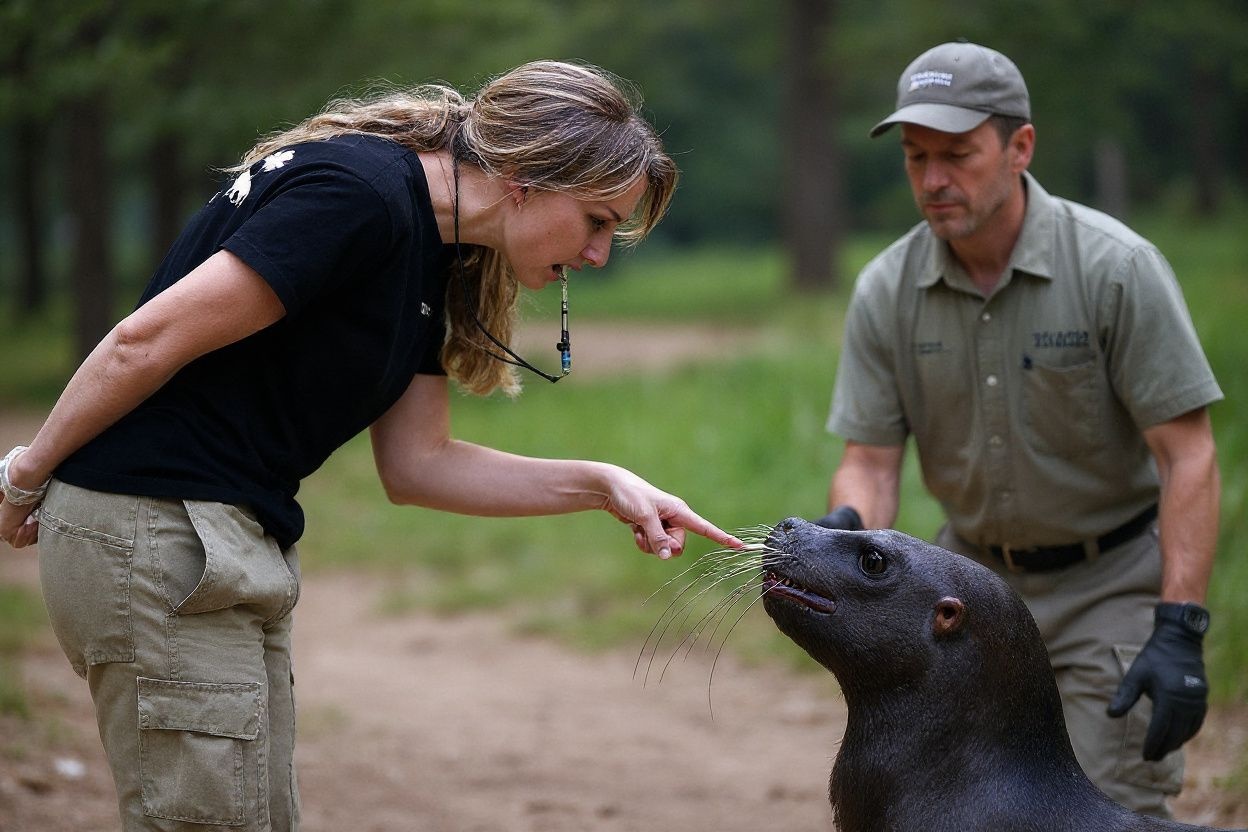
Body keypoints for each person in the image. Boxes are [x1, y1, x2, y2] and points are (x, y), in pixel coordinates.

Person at [0, 60, 742, 831]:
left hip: (221, 542)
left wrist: (603, 483)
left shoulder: (426, 245)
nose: (596, 256)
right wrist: (28, 474)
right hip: (156, 532)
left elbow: (419, 464)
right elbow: (143, 341)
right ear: (524, 176)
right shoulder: (359, 198)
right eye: (596, 221)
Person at [817, 41, 1222, 817]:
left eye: (958, 155)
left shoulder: (1117, 270)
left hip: (1108, 586)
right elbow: (869, 462)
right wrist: (851, 531)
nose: (934, 180)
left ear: (1020, 146)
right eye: (915, 157)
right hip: (966, 599)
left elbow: (1188, 455)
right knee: (945, 806)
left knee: (1101, 809)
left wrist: (1179, 629)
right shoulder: (885, 288)